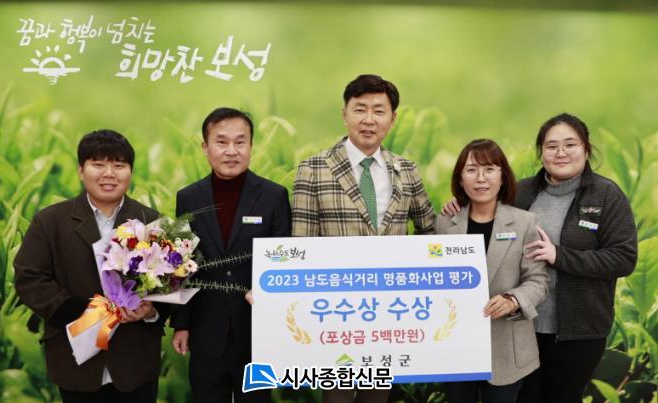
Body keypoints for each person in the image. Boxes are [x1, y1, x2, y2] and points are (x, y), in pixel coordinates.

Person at [443, 113, 638, 403]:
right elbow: (483, 214)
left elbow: (624, 258)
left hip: (577, 331)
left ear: (586, 149)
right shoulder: (520, 192)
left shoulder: (605, 195)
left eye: (570, 145)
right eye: (551, 146)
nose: (561, 153)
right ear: (541, 152)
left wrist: (560, 256)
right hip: (518, 327)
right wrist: (460, 203)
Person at [291, 74, 436, 403]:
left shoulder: (406, 170)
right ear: (345, 115)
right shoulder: (314, 169)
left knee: (377, 397)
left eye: (378, 111)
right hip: (334, 311)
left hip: (388, 311)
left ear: (393, 119)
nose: (369, 119)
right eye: (360, 109)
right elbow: (300, 246)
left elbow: (429, 231)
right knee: (338, 397)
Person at [14, 130, 167, 403]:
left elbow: (172, 280)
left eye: (119, 165)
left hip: (135, 361)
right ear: (81, 170)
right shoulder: (50, 221)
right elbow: (30, 277)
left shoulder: (152, 221)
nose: (109, 174)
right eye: (98, 164)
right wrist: (80, 313)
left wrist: (151, 310)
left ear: (130, 172)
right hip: (75, 359)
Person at [170, 107, 291, 403]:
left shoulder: (274, 196)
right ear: (205, 147)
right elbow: (183, 264)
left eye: (240, 142)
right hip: (206, 328)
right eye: (221, 142)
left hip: (257, 331)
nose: (231, 151)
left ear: (251, 146)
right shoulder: (188, 198)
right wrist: (182, 324)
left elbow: (284, 260)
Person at [436, 139, 548, 403]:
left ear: (502, 176)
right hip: (456, 345)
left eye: (489, 169)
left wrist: (513, 300)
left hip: (506, 349)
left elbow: (538, 280)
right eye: (471, 170)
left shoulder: (525, 222)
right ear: (460, 178)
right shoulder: (445, 223)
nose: (481, 178)